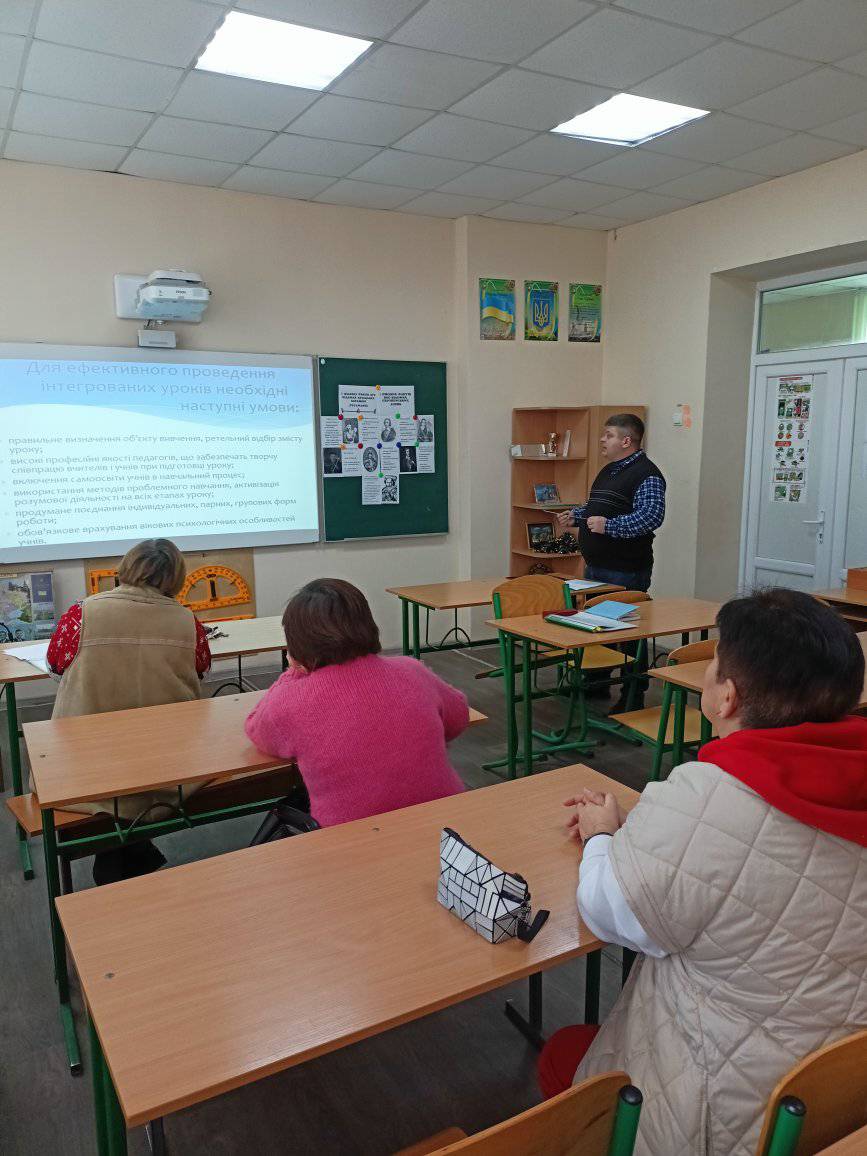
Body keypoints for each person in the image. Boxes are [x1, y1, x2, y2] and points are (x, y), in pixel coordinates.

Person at [539, 589, 867, 1156]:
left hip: (719, 1108)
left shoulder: (709, 795)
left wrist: (602, 839)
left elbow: (610, 911)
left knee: (564, 1058)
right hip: (840, 1092)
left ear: (727, 697)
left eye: (713, 663)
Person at [46, 539, 211, 884]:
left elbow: (56, 666)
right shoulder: (188, 622)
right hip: (168, 767)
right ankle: (132, 857)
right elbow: (201, 671)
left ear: (126, 568)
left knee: (108, 778)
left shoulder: (82, 613)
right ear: (177, 577)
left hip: (86, 769)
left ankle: (124, 860)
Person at [245, 578, 468, 826]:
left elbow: (257, 729)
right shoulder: (412, 670)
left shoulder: (289, 701)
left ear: (296, 644)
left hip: (353, 838)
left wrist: (293, 671)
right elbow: (458, 718)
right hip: (448, 825)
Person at [557, 413, 665, 710]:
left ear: (626, 440)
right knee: (598, 625)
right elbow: (599, 507)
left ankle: (633, 694)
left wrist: (610, 526)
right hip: (596, 566)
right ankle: (597, 684)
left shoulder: (647, 474)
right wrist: (577, 516)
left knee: (629, 633)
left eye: (609, 435)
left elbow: (651, 517)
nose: (602, 440)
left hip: (626, 569)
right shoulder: (608, 470)